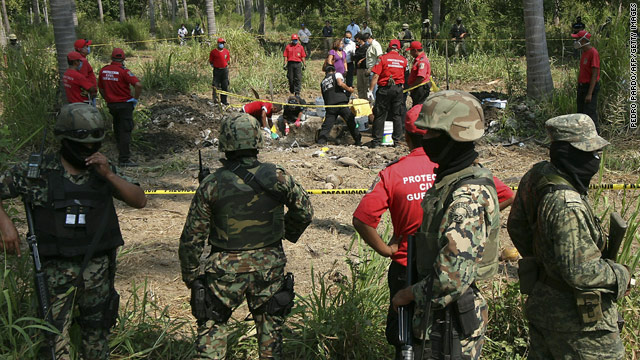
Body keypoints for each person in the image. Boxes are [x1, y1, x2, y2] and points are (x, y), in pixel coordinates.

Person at [0, 103, 147, 359]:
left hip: (97, 274)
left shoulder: (103, 170)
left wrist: (109, 175)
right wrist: (6, 226)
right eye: (82, 145)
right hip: (53, 273)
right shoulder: (37, 172)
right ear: (64, 140)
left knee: (97, 339)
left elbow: (139, 199)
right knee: (52, 342)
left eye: (95, 144)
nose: (88, 151)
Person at [179, 113, 313, 360]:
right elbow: (304, 211)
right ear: (257, 141)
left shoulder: (212, 183)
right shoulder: (277, 175)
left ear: (225, 144)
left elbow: (192, 237)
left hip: (223, 272)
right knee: (271, 345)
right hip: (269, 268)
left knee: (211, 337)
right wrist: (284, 233)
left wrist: (192, 277)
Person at [507, 114, 630, 359]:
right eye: (588, 152)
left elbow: (517, 226)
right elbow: (581, 273)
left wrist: (545, 260)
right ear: (565, 152)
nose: (595, 159)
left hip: (544, 305)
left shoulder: (539, 175)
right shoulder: (567, 205)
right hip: (578, 322)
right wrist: (623, 275)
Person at [392, 90, 500, 360]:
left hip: (447, 323)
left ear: (455, 136)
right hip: (438, 315)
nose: (424, 140)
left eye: (431, 134)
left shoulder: (468, 196)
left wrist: (408, 294)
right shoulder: (451, 178)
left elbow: (451, 277)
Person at [353, 104, 437, 359]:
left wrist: (386, 249)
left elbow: (362, 219)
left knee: (406, 339)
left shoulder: (392, 173)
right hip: (447, 264)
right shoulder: (453, 168)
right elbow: (502, 195)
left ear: (407, 137)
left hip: (405, 267)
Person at [98, 48, 143, 168]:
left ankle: (119, 152)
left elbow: (101, 88)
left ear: (112, 58)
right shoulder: (124, 71)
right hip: (124, 105)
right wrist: (135, 99)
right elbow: (138, 85)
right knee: (125, 130)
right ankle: (124, 159)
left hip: (112, 105)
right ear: (123, 59)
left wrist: (107, 98)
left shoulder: (104, 70)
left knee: (117, 127)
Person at [368, 39, 407, 148]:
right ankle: (397, 141)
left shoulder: (382, 59)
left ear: (389, 47)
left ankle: (376, 141)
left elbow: (375, 75)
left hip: (384, 89)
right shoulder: (403, 60)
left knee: (380, 114)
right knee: (396, 115)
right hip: (398, 89)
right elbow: (405, 75)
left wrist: (370, 90)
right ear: (398, 48)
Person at [318, 65, 361, 146]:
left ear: (326, 73)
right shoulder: (336, 74)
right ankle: (358, 140)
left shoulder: (323, 82)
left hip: (330, 106)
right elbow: (340, 83)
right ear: (334, 71)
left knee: (327, 126)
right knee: (350, 121)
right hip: (341, 103)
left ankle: (321, 142)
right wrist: (349, 89)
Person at [572, 30, 601, 133]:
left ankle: (596, 136)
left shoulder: (593, 53)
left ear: (583, 40)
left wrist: (589, 93)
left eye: (577, 39)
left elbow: (594, 74)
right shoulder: (584, 53)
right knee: (580, 113)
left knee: (590, 113)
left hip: (590, 87)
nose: (575, 41)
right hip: (582, 87)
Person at [74, 38, 97, 105]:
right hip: (87, 95)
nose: (88, 48)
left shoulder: (79, 59)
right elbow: (83, 79)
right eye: (86, 46)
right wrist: (91, 91)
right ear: (80, 49)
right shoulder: (82, 61)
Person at [407, 41, 431, 106]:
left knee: (418, 106)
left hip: (420, 88)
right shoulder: (418, 60)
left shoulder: (422, 61)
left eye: (411, 51)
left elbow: (421, 77)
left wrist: (412, 87)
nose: (410, 53)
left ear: (415, 50)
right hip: (418, 87)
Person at [209, 37, 230, 106]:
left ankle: (224, 101)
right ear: (218, 43)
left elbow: (227, 60)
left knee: (225, 85)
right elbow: (211, 61)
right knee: (215, 85)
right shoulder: (213, 52)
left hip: (224, 70)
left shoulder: (226, 51)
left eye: (223, 43)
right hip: (217, 70)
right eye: (221, 43)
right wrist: (215, 66)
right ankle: (215, 99)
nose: (222, 44)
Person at [363, 33, 383, 100]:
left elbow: (380, 58)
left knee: (374, 90)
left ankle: (375, 105)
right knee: (371, 90)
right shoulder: (371, 46)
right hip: (370, 70)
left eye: (366, 40)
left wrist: (373, 68)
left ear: (369, 38)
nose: (366, 42)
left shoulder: (375, 45)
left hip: (374, 71)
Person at [354, 34, 370, 99]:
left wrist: (361, 60)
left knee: (366, 86)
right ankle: (361, 99)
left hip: (365, 68)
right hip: (359, 69)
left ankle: (367, 100)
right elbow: (356, 56)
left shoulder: (367, 47)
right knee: (360, 86)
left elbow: (367, 56)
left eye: (357, 39)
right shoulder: (358, 48)